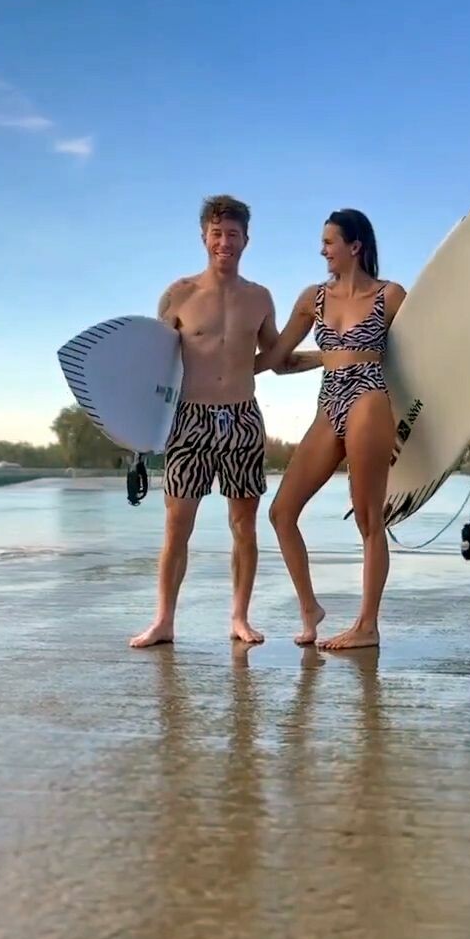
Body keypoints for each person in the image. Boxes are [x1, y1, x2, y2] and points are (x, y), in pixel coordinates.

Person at [129, 194, 320, 649]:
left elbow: (276, 360)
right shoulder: (178, 295)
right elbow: (156, 365)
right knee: (177, 526)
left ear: (246, 240)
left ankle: (239, 617)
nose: (225, 242)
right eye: (217, 233)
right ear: (204, 237)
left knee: (244, 526)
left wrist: (333, 357)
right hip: (189, 419)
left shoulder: (259, 298)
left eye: (233, 234)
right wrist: (138, 431)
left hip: (242, 418)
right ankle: (163, 620)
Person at [255, 209, 406, 650]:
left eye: (329, 242)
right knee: (282, 513)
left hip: (369, 397)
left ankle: (367, 626)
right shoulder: (313, 299)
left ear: (354, 246)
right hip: (329, 401)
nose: (322, 250)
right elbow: (276, 360)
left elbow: (426, 355)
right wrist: (214, 367)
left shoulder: (390, 295)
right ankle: (310, 608)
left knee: (368, 518)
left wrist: (455, 420)